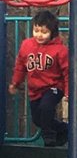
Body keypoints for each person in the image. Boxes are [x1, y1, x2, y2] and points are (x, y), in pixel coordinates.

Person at [8, 10, 69, 147]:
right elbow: (20, 66)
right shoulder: (27, 45)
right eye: (36, 30)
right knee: (37, 119)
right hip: (35, 88)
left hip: (53, 86)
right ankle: (65, 130)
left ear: (52, 33)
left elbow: (67, 72)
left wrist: (67, 91)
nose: (39, 35)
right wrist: (15, 83)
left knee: (46, 107)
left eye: (44, 32)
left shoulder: (60, 50)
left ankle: (48, 137)